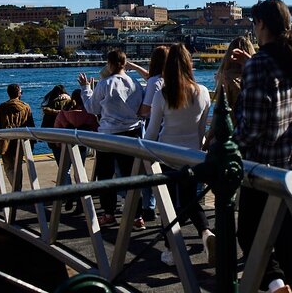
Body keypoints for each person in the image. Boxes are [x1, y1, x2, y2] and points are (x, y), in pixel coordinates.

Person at [232, 0, 292, 293]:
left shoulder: (259, 65)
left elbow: (252, 128)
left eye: (254, 23)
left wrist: (227, 149)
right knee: (291, 242)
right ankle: (288, 284)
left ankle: (277, 285)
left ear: (262, 24)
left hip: (262, 170)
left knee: (250, 235)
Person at [144, 43, 215, 267]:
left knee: (168, 206)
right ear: (189, 63)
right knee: (188, 201)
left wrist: (142, 152)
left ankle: (170, 249)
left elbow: (153, 131)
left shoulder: (162, 95)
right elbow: (201, 130)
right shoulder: (203, 92)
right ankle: (206, 233)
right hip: (192, 156)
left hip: (167, 156)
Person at [78, 49, 145, 229]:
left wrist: (86, 89)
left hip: (109, 134)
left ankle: (109, 213)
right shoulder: (135, 83)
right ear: (125, 63)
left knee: (106, 176)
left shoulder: (105, 83)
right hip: (132, 133)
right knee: (132, 175)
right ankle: (137, 215)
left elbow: (92, 108)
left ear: (109, 64)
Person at [129, 45, 169, 221]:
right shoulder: (170, 79)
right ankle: (156, 206)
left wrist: (130, 109)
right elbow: (151, 78)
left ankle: (148, 207)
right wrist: (136, 67)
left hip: (154, 126)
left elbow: (145, 110)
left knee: (148, 170)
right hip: (168, 126)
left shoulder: (154, 82)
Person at [203, 36, 256, 150]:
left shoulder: (226, 77)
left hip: (229, 139)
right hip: (250, 140)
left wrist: (206, 144)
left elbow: (219, 114)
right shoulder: (255, 78)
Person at [54, 88, 98, 213]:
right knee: (79, 170)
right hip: (82, 145)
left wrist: (57, 143)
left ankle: (69, 194)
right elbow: (95, 128)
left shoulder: (64, 112)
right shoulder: (88, 113)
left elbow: (56, 128)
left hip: (66, 145)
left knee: (65, 170)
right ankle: (80, 200)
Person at [0, 83, 35, 186]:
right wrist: (32, 142)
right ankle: (17, 189)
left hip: (5, 141)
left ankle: (16, 188)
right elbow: (31, 126)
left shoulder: (1, 108)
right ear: (19, 94)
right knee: (18, 166)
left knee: (8, 167)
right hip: (20, 141)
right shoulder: (26, 107)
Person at [41, 84, 73, 176]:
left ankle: (67, 185)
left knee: (62, 166)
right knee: (72, 165)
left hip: (55, 140)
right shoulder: (71, 102)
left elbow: (45, 126)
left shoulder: (51, 104)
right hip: (71, 138)